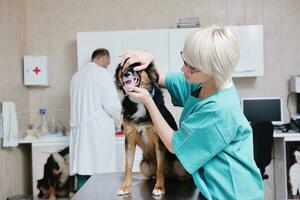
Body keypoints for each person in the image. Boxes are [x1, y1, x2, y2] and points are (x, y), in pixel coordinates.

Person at [121, 25, 264, 200]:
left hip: (231, 193)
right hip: (210, 187)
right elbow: (161, 78)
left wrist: (149, 102)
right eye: (184, 61)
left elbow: (174, 145)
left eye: (191, 67)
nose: (183, 70)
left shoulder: (218, 110)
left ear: (213, 70)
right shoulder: (204, 83)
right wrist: (149, 63)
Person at [69, 48, 122, 190]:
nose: (107, 66)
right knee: (101, 173)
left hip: (80, 134)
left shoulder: (76, 76)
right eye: (108, 63)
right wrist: (121, 117)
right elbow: (112, 106)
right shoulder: (102, 74)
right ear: (104, 57)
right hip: (97, 132)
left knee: (83, 170)